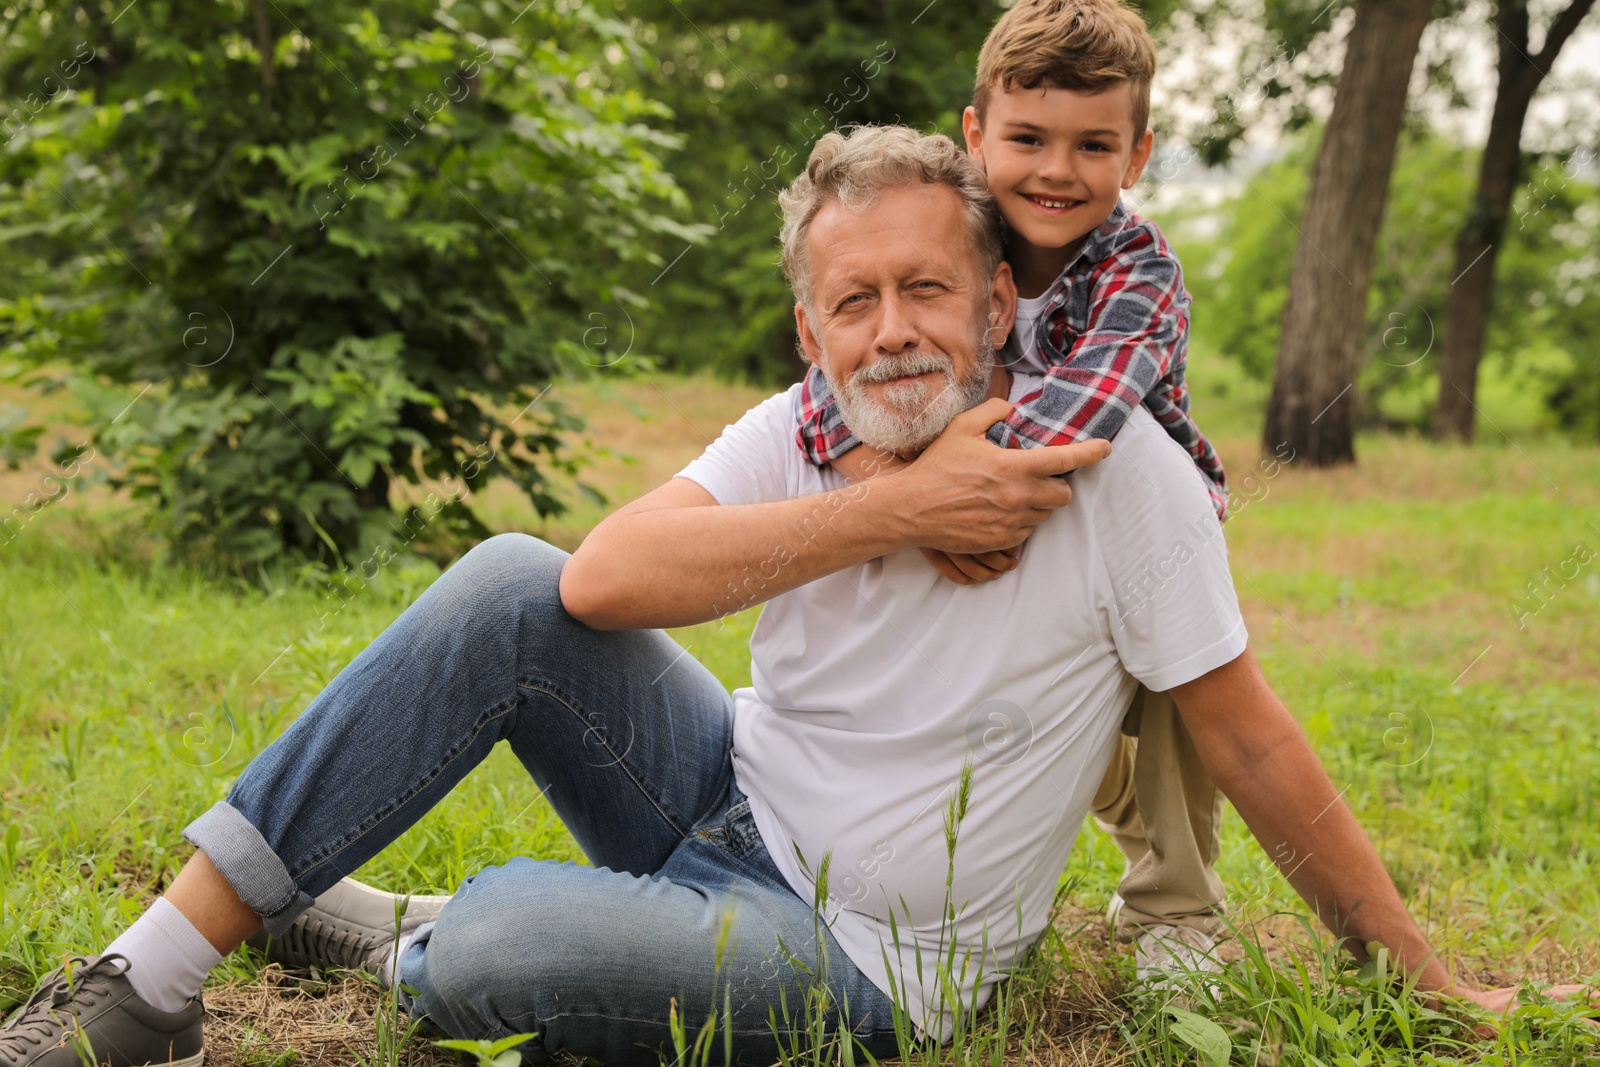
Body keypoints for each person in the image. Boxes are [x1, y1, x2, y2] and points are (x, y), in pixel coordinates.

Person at [1, 126, 1578, 1067]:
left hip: (868, 958)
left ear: (995, 298)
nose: (894, 329)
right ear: (809, 319)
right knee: (507, 583)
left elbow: (1245, 732)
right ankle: (158, 971)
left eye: (927, 289)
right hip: (718, 792)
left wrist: (1430, 983)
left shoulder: (1116, 471)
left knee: (491, 950)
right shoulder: (807, 432)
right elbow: (605, 577)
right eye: (854, 299)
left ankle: (395, 928)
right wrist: (896, 510)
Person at [803, 0, 1232, 975]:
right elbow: (835, 384)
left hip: (1134, 537)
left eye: (1093, 145)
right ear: (974, 132)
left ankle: (1175, 913)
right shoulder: (951, 243)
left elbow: (1079, 413)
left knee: (1176, 714)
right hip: (974, 518)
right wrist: (892, 482)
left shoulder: (1139, 271)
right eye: (1027, 136)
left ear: (1137, 154)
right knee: (1031, 716)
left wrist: (950, 494)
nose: (1054, 169)